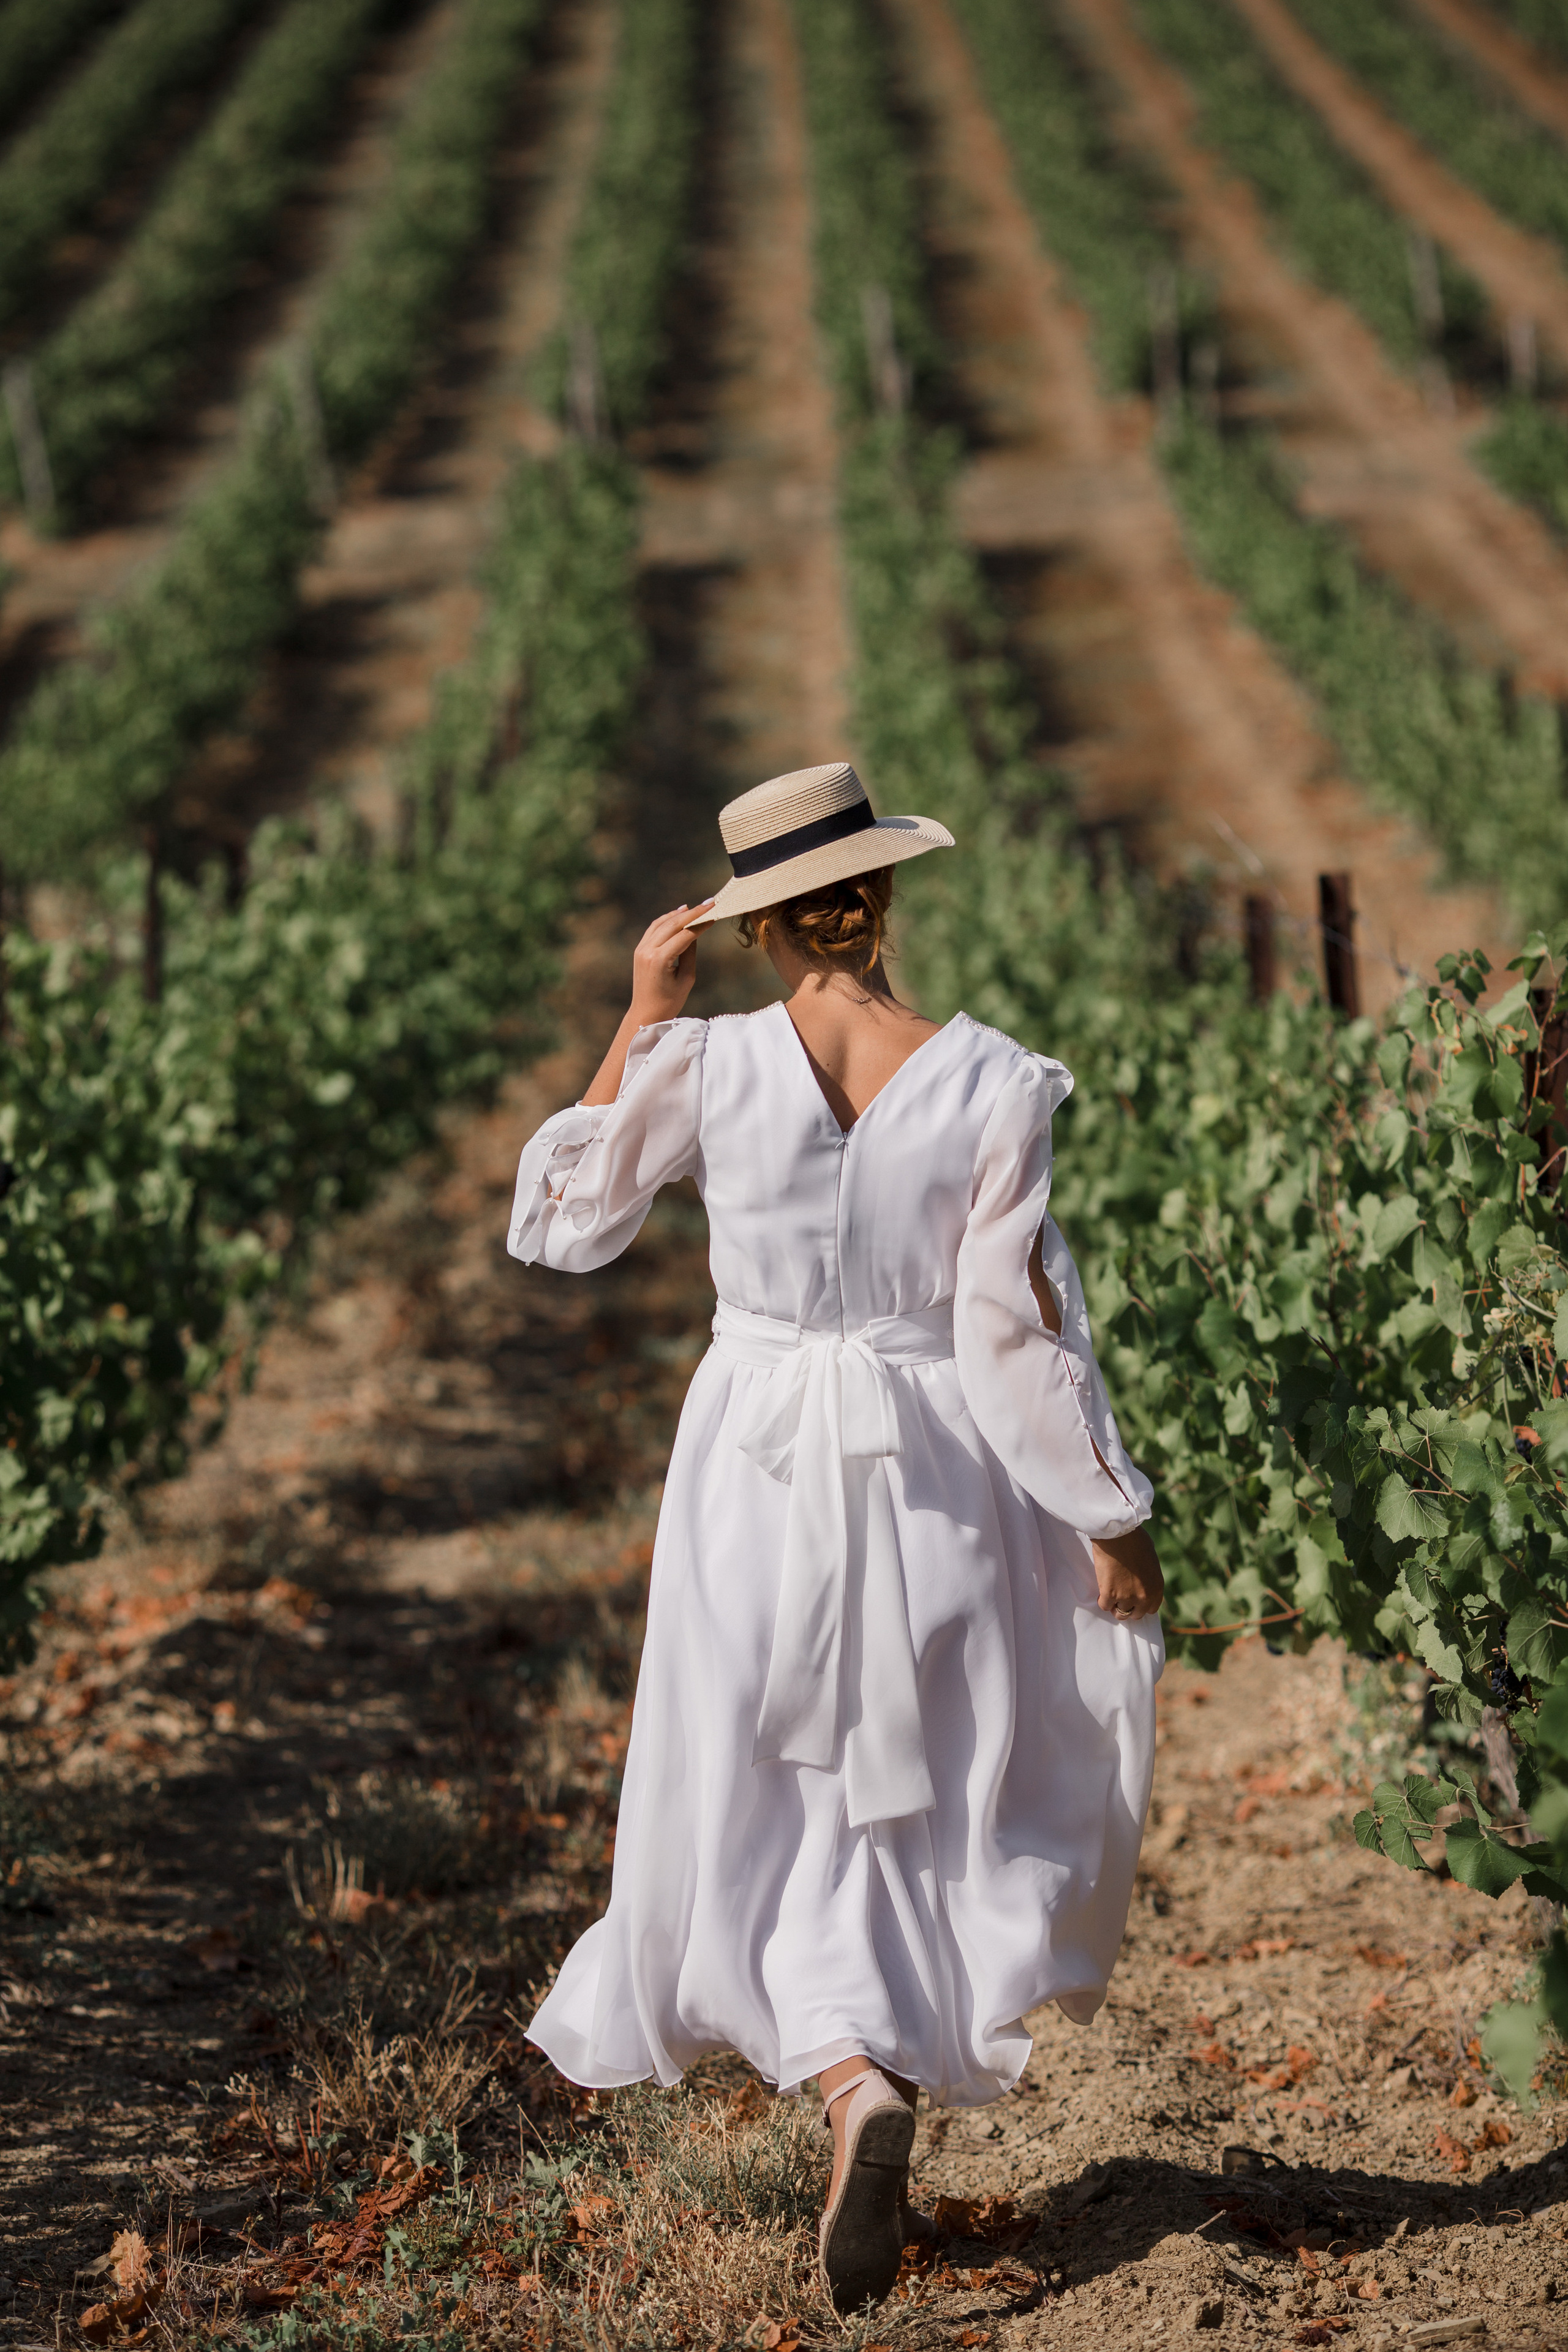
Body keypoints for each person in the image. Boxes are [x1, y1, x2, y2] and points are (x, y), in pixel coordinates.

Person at [509, 762, 1164, 2313]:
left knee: (763, 1787)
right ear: (880, 898)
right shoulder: (988, 1080)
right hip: (934, 1459)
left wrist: (638, 1014)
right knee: (917, 1791)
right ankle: (876, 2060)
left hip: (751, 1462)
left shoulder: (704, 1064)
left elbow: (562, 1222)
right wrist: (1107, 1509)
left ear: (756, 925)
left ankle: (846, 2076)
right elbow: (1013, 1331)